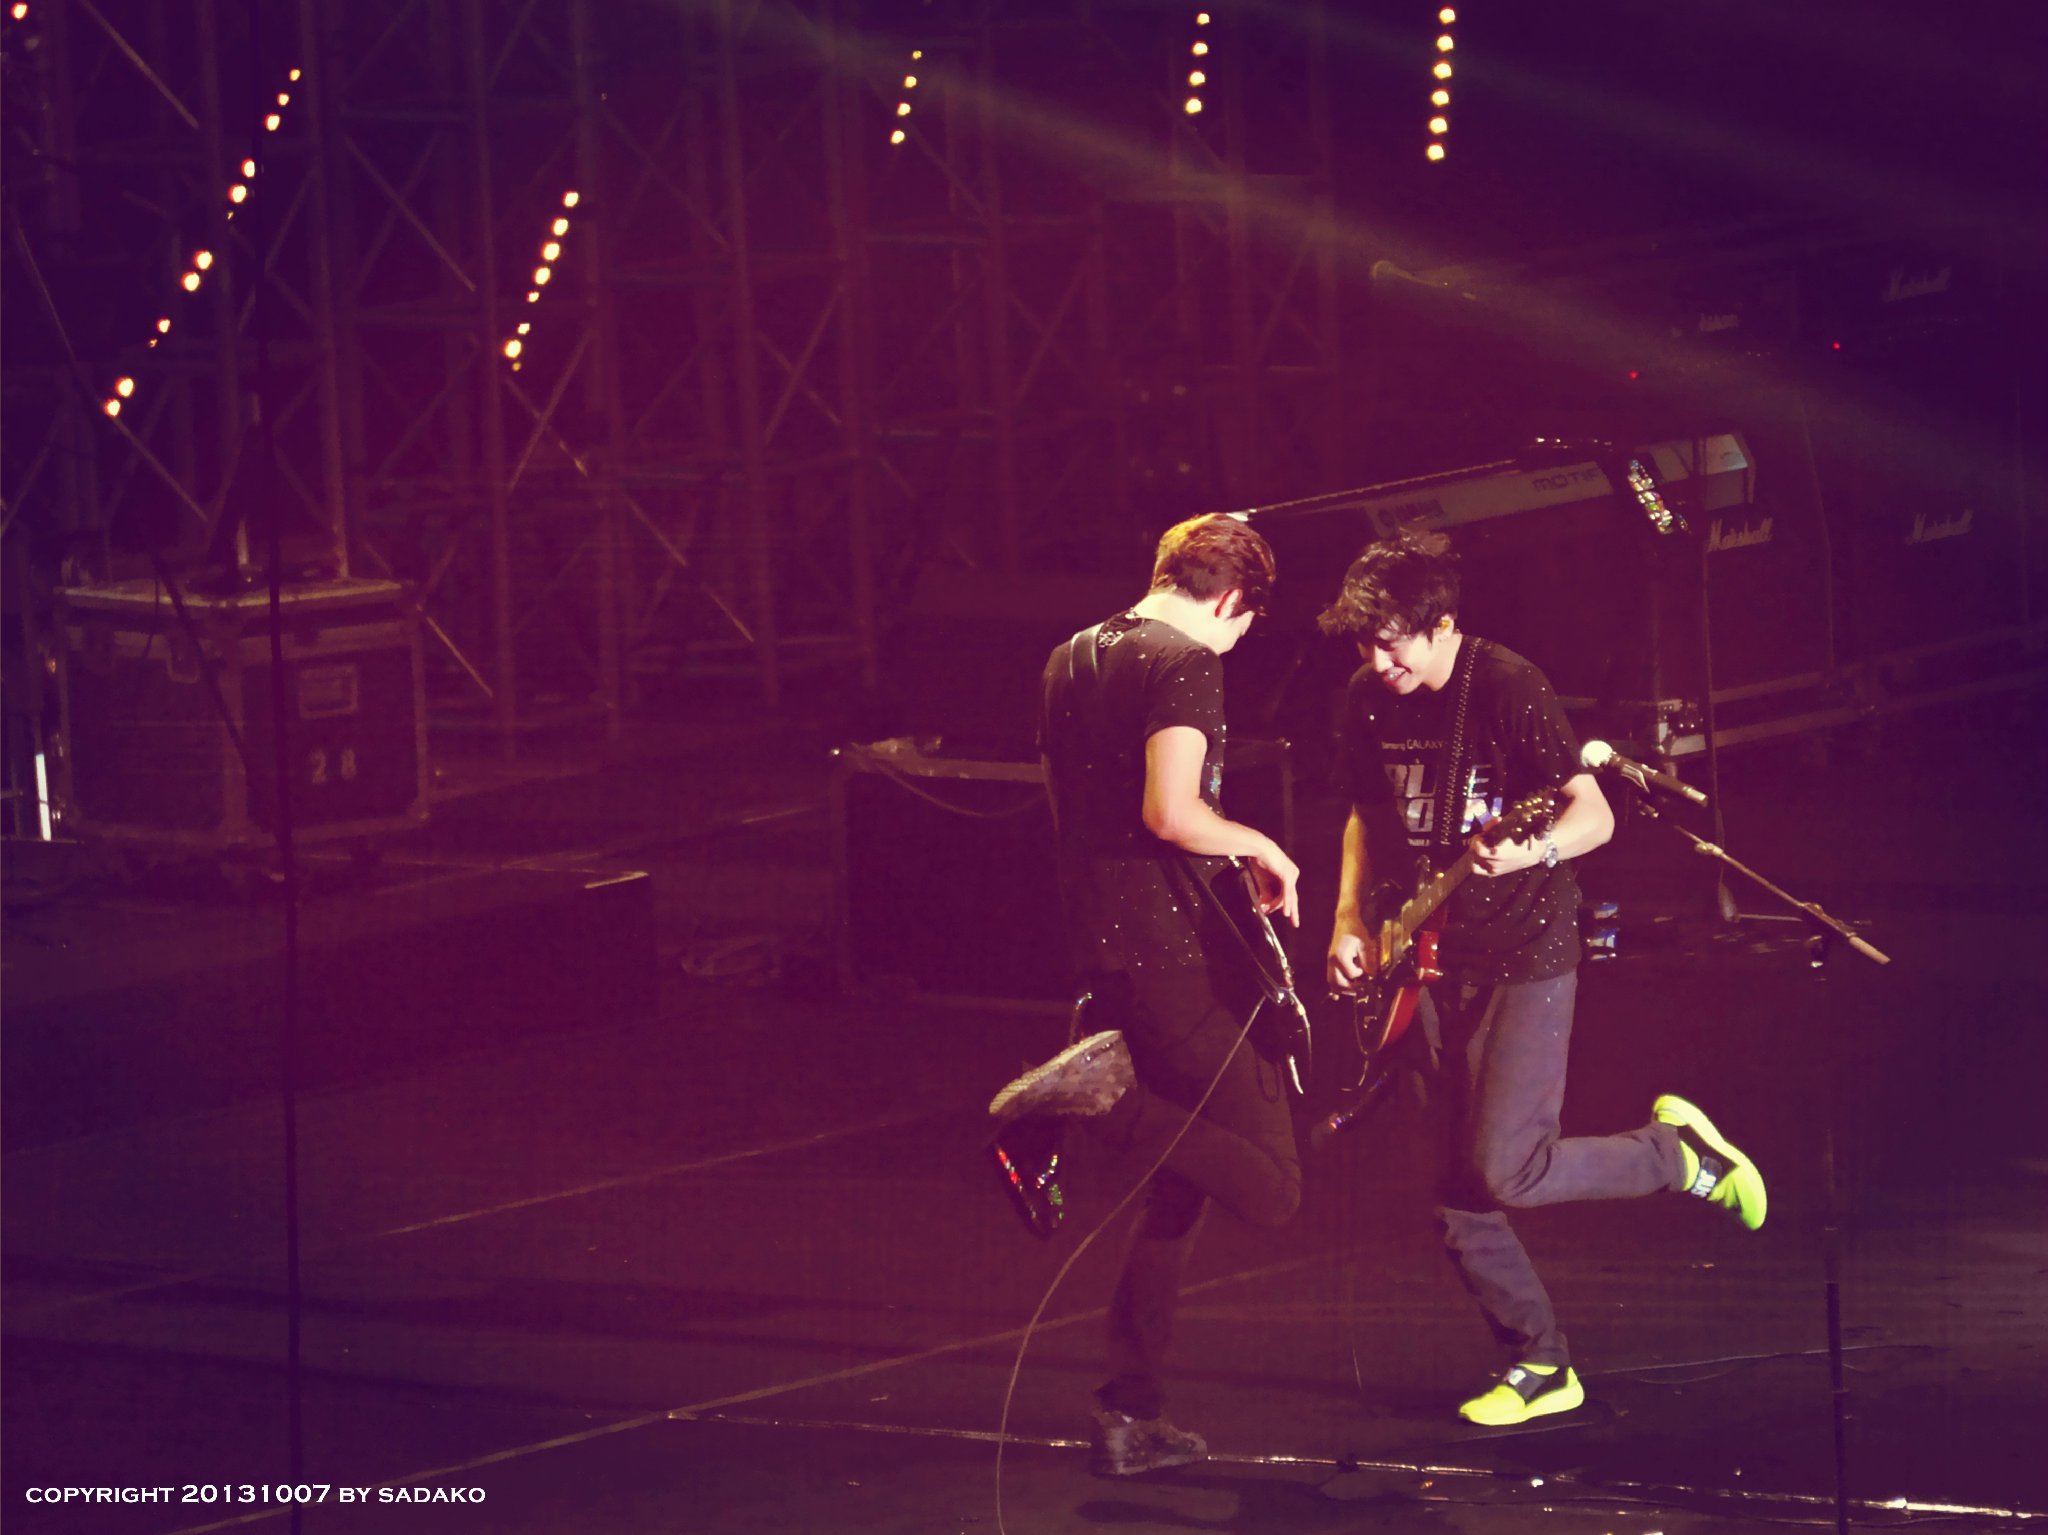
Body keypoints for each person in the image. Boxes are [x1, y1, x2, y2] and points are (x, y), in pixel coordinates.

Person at [1319, 528, 1767, 1427]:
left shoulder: (1505, 686)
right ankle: (1539, 1362)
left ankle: (1678, 1156)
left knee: (1506, 1169)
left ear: (1443, 624)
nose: (1378, 661)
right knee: (1450, 1187)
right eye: (1365, 643)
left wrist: (1534, 850)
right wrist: (1347, 918)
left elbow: (1593, 814)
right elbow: (1366, 815)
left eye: (1393, 642)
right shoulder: (1366, 699)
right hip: (1423, 954)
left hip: (1523, 951)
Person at [986, 512, 1304, 1476]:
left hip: (1103, 942)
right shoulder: (1184, 660)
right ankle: (1098, 1103)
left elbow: (1069, 811)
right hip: (1177, 955)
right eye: (1245, 624)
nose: (1238, 642)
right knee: (1272, 1187)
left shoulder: (1070, 656)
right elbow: (1170, 811)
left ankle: (1130, 1410)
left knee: (1181, 1187)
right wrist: (1260, 843)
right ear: (1231, 598)